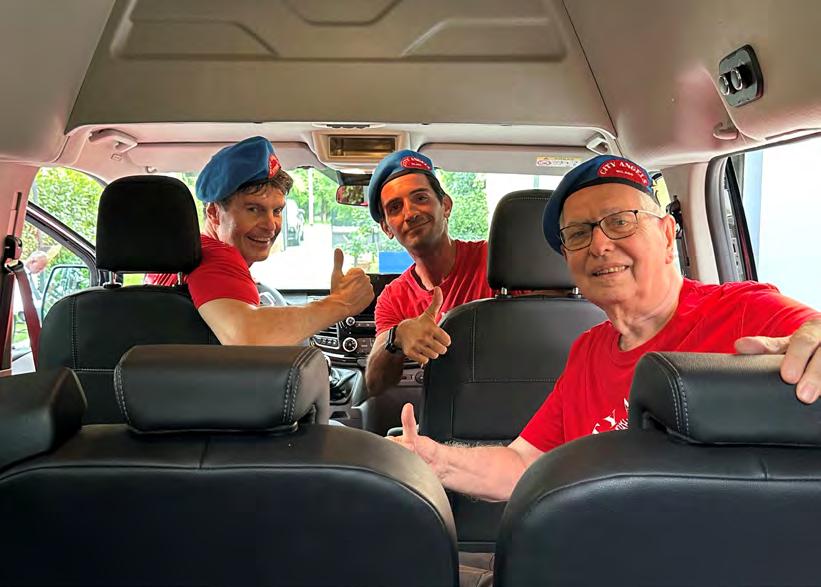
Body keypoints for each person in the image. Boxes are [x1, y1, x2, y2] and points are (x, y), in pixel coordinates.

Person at [391, 154, 821, 502]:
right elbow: (524, 463)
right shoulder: (587, 352)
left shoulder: (743, 311)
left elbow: (810, 332)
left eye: (620, 221)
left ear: (667, 235)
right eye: (578, 234)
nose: (599, 244)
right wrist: (435, 461)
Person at [147, 136, 374, 345]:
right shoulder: (214, 258)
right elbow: (246, 336)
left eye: (277, 211)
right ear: (214, 213)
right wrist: (340, 304)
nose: (270, 225)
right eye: (253, 209)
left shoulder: (173, 263)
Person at [364, 150, 495, 396]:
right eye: (395, 207)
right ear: (386, 228)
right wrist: (397, 337)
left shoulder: (497, 261)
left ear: (445, 206)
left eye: (420, 198)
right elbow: (375, 384)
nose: (410, 213)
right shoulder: (393, 298)